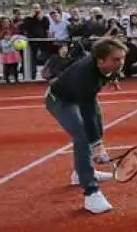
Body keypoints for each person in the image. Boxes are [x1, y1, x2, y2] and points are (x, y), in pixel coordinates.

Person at [45, 36, 126, 214]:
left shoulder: (106, 65)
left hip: (80, 95)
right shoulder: (85, 76)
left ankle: (80, 172)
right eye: (116, 60)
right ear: (100, 60)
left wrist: (113, 78)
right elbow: (87, 113)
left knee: (98, 125)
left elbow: (93, 113)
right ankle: (91, 192)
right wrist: (97, 146)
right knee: (83, 135)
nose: (121, 63)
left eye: (122, 58)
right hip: (60, 101)